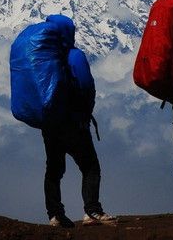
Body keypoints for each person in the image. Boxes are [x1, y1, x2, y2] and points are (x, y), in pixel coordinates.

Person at [40, 16, 117, 228]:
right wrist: (84, 113)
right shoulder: (74, 56)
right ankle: (92, 211)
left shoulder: (43, 58)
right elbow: (85, 85)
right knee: (90, 167)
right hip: (74, 124)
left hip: (49, 125)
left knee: (54, 170)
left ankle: (55, 215)